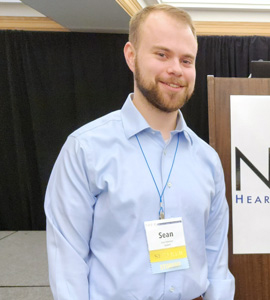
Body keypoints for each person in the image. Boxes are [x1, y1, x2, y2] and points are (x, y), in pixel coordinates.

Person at [44, 4, 235, 299]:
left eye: (187, 60)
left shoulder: (207, 160)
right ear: (131, 56)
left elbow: (217, 263)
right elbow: (67, 264)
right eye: (162, 54)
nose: (175, 69)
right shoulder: (85, 150)